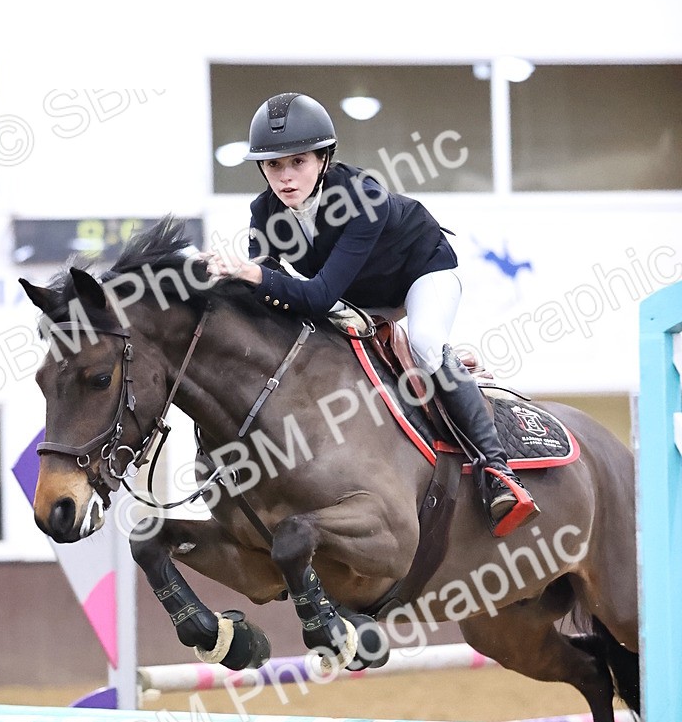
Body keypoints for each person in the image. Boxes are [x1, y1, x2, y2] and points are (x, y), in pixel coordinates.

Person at [207, 91, 538, 537]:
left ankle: (497, 470)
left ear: (324, 159)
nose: (284, 177)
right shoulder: (264, 212)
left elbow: (316, 295)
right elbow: (268, 296)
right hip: (356, 294)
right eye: (273, 165)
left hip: (421, 274)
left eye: (298, 162)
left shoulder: (363, 197)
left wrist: (254, 273)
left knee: (425, 344)